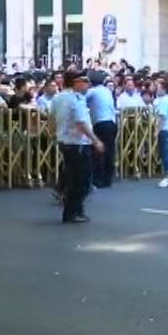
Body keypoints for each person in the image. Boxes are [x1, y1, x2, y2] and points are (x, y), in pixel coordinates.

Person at [51, 71, 104, 223]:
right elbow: (81, 123)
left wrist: (55, 134)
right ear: (76, 82)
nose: (87, 84)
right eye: (84, 81)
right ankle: (71, 211)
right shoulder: (76, 99)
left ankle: (76, 210)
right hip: (78, 144)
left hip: (65, 142)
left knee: (73, 178)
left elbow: (51, 118)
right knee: (82, 181)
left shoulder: (58, 98)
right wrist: (96, 141)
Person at [85, 75, 117, 188]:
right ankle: (108, 178)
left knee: (97, 152)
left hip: (100, 123)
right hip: (112, 123)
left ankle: (97, 178)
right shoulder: (107, 91)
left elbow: (81, 100)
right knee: (109, 152)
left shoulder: (92, 91)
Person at [153, 80, 168, 188]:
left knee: (165, 153)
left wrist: (157, 130)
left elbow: (162, 116)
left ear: (163, 89)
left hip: (165, 130)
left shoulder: (164, 101)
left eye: (158, 88)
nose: (156, 90)